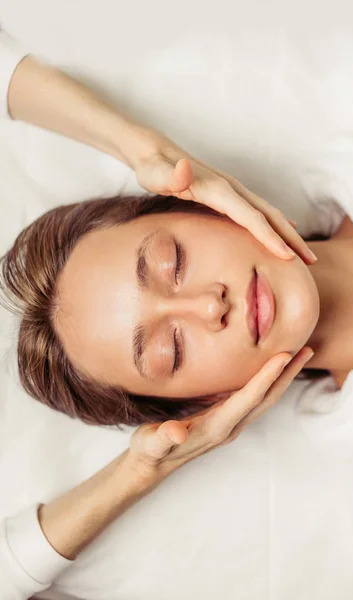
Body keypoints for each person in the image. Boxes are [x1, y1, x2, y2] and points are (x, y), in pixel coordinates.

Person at [0, 31, 314, 600]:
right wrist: (142, 472)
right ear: (199, 406)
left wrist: (143, 148)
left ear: (199, 205)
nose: (208, 306)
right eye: (170, 350)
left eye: (173, 262)